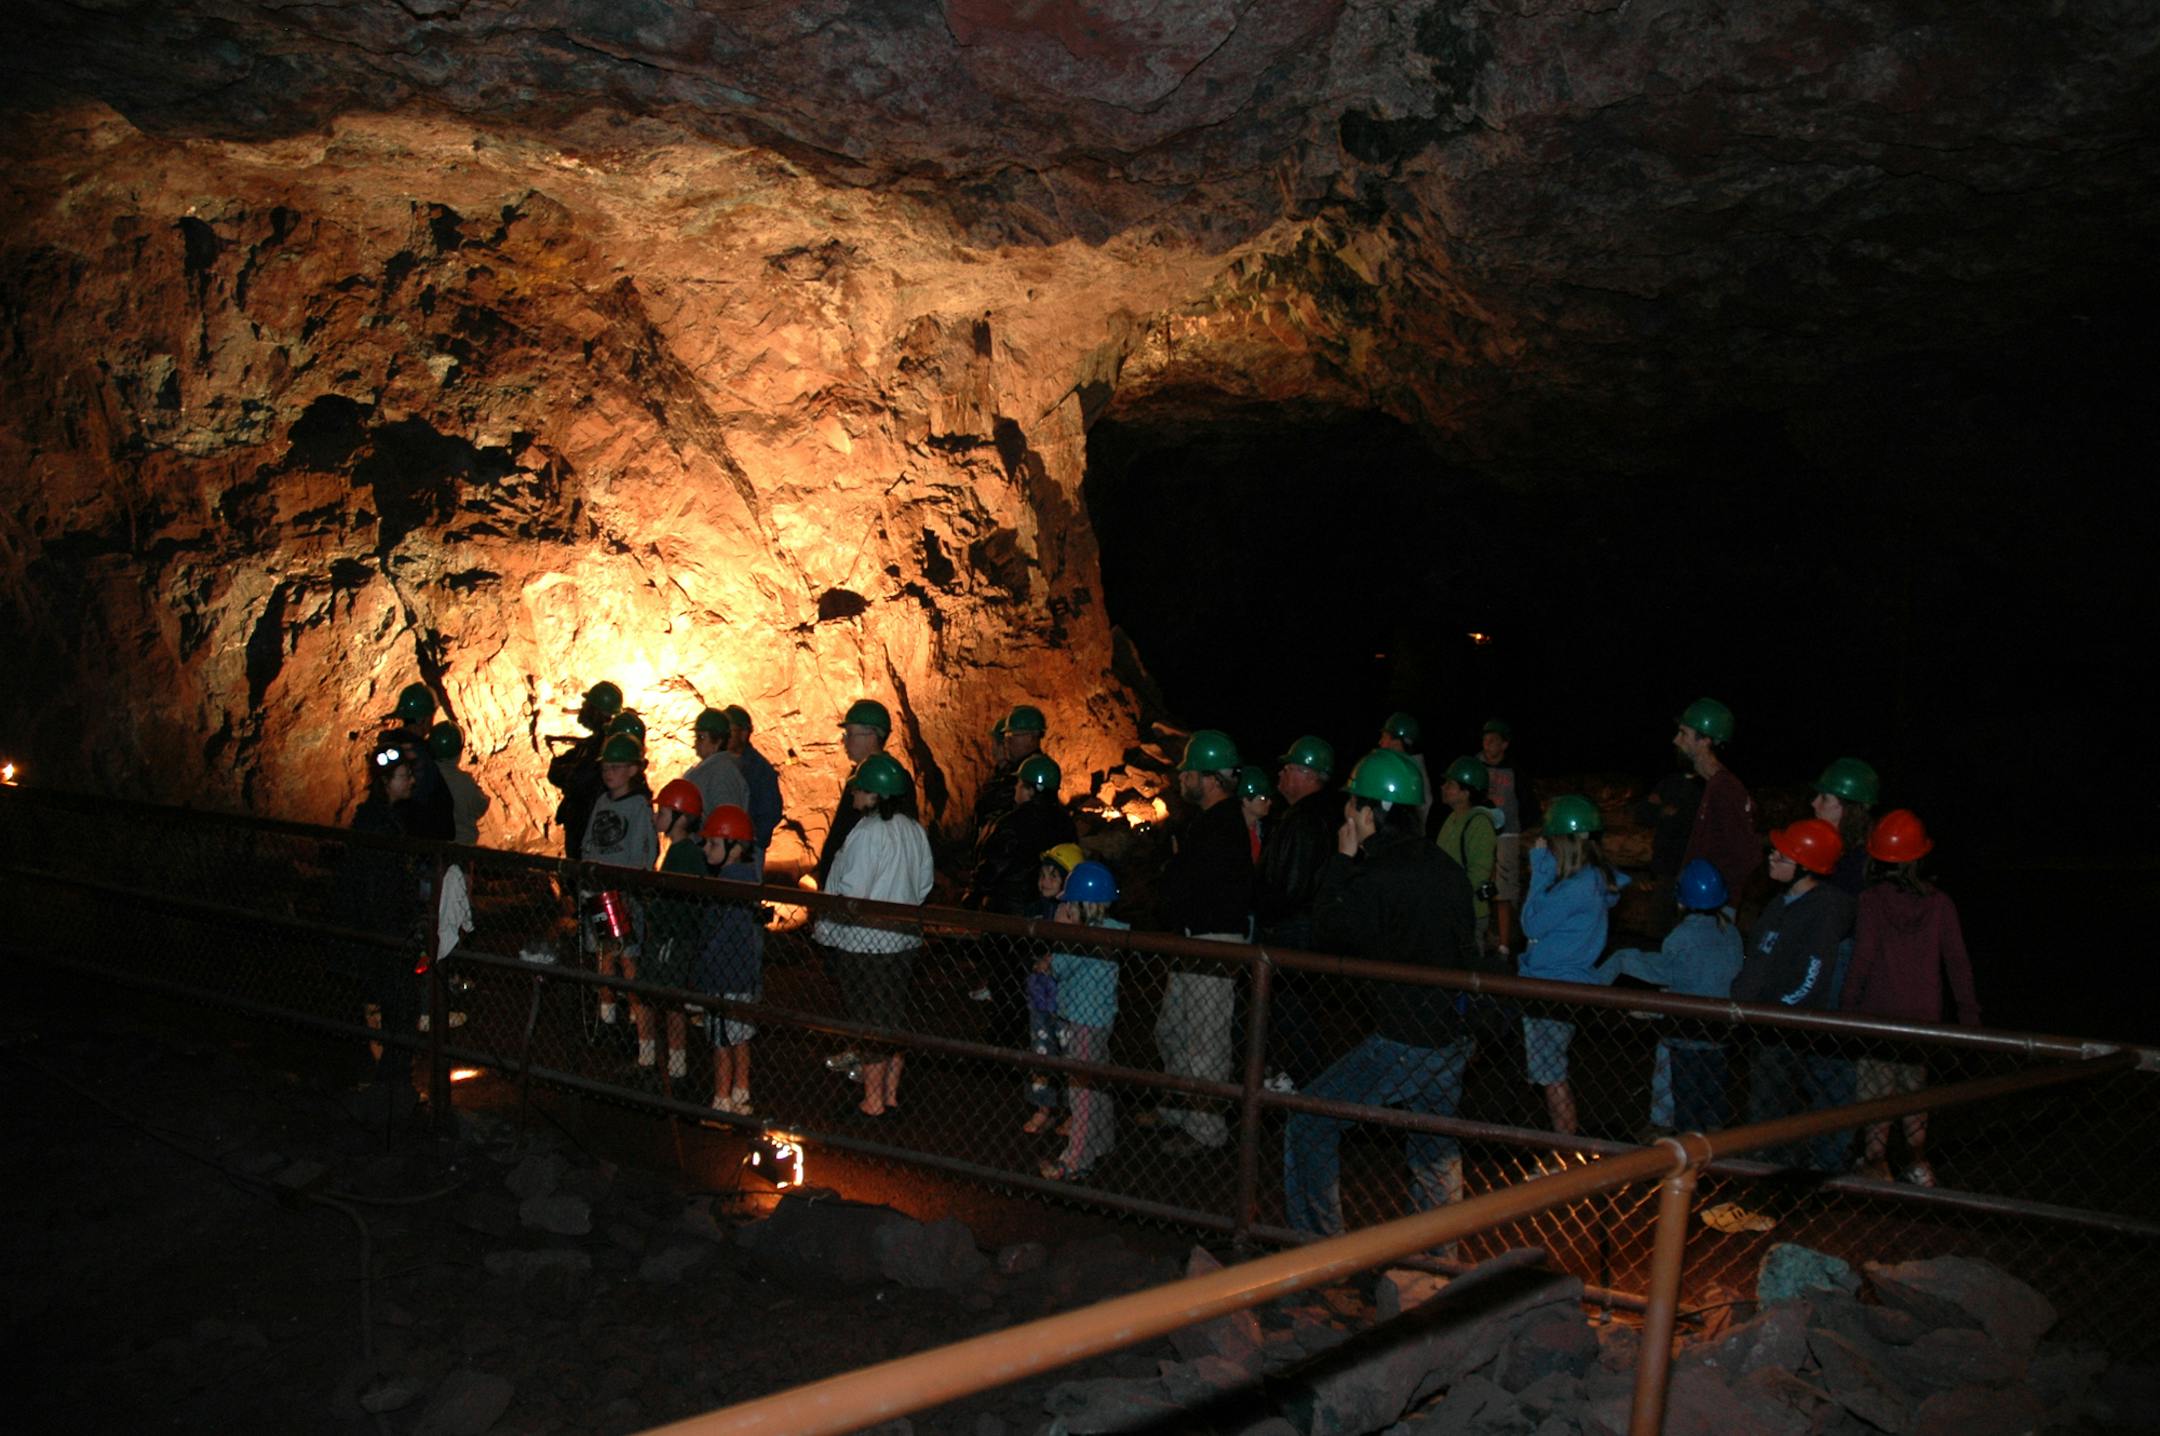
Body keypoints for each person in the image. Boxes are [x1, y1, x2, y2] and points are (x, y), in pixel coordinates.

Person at [1283, 749, 1485, 1236]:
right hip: (1453, 1031)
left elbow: (1329, 932)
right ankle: (1438, 1259)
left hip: (1404, 1037)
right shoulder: (1444, 868)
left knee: (1309, 1120)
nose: (1347, 814)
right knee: (1434, 1147)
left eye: (1354, 806)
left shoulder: (1381, 876)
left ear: (1372, 814)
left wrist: (1342, 859)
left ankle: (1319, 1250)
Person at [1842, 810, 1981, 1187]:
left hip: (1879, 1016)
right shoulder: (1940, 904)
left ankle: (1876, 1162)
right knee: (1913, 1091)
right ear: (1919, 856)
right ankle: (1918, 1164)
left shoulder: (1871, 901)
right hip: (1922, 1018)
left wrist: (1846, 1010)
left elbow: (1863, 956)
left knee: (1876, 1091)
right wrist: (1969, 1020)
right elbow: (1958, 964)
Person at [1142, 729, 1251, 1154]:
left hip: (1213, 942)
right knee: (1172, 1031)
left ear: (1207, 778)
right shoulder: (1211, 823)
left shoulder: (1221, 827)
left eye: (1188, 772)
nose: (1182, 779)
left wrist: (1170, 875)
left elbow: (1189, 884)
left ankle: (1205, 1132)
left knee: (1204, 1041)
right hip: (1196, 939)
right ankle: (1178, 1110)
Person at [1733, 817, 1859, 1171]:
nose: (1773, 856)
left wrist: (1779, 1010)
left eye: (1783, 854)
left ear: (1807, 866)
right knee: (1766, 1104)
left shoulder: (1824, 909)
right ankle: (1768, 1171)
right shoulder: (1780, 903)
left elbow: (1813, 974)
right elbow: (1759, 959)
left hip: (1787, 1026)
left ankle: (1779, 1178)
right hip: (1765, 1021)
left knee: (1776, 1108)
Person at [813, 754, 934, 1117]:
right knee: (892, 1015)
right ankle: (891, 1093)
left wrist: (828, 911)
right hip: (904, 940)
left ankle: (872, 1100)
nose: (853, 795)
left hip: (865, 942)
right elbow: (924, 883)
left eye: (860, 789)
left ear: (876, 795)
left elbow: (853, 892)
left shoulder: (868, 832)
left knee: (869, 1018)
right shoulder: (915, 830)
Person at [1610, 858, 1746, 1132]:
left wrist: (1626, 961)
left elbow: (1669, 974)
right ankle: (1716, 1159)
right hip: (1719, 1032)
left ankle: (1687, 1160)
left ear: (1681, 901)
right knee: (1713, 1100)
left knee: (1686, 1103)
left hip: (1685, 1034)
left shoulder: (1680, 936)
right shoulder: (1731, 933)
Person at [1520, 795, 1627, 1137]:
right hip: (1562, 985)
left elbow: (1531, 924)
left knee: (1552, 1076)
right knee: (1552, 1072)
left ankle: (1564, 1152)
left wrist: (1539, 869)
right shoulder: (1592, 880)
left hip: (1551, 989)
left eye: (1550, 842)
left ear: (1562, 843)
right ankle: (1563, 1148)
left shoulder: (1578, 888)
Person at [338, 737, 432, 1095]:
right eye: (404, 776)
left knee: (395, 1009)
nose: (410, 781)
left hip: (381, 930)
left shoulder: (379, 819)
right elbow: (378, 885)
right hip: (383, 932)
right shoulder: (378, 825)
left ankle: (390, 1082)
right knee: (400, 1009)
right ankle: (392, 1084)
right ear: (387, 781)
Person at [1256, 735, 1337, 1090]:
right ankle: (1303, 1084)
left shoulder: (1304, 820)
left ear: (1306, 774)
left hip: (1293, 932)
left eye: (1287, 768)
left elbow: (1290, 885)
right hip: (1311, 929)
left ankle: (1309, 1089)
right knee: (1293, 1013)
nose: (1280, 775)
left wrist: (1262, 906)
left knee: (1291, 1015)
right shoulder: (1325, 815)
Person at [1042, 860, 1127, 1181]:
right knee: (1096, 1081)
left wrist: (1062, 934)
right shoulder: (1111, 933)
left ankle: (1076, 1157)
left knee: (1081, 1091)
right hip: (1101, 1019)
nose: (1063, 907)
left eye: (1068, 903)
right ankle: (1102, 1140)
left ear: (1083, 906)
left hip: (1082, 1021)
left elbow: (1060, 968)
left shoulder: (1081, 938)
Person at [583, 732, 660, 1051]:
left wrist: (632, 882)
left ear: (633, 769)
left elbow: (645, 850)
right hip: (602, 892)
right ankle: (608, 1020)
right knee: (605, 956)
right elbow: (589, 841)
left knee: (629, 963)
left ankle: (644, 1040)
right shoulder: (603, 802)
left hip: (623, 894)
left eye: (616, 766)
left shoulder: (639, 807)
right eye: (606, 767)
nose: (608, 772)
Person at [696, 804, 764, 1115]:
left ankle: (721, 1099)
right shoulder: (747, 879)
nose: (707, 849)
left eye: (713, 843)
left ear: (733, 848)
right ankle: (741, 1091)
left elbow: (719, 935)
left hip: (723, 976)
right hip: (743, 976)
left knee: (722, 1039)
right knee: (741, 1037)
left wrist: (702, 971)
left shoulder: (728, 885)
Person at [641, 777, 707, 1080]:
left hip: (672, 937)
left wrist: (654, 914)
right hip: (677, 935)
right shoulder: (685, 851)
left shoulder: (683, 855)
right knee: (672, 999)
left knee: (668, 997)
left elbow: (677, 903)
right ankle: (674, 1063)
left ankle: (668, 1063)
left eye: (663, 812)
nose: (657, 817)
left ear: (680, 818)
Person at [965, 755, 1077, 915]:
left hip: (1009, 912)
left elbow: (993, 866)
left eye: (1018, 784)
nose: (1015, 789)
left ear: (1029, 790)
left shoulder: (1012, 823)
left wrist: (973, 896)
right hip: (1051, 911)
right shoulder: (1066, 823)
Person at [1673, 698, 1759, 902]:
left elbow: (1746, 855)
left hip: (1713, 907)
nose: (1676, 740)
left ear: (1705, 740)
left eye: (1684, 733)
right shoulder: (1713, 785)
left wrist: (1715, 899)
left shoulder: (1726, 789)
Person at [815, 699, 897, 889]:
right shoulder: (859, 773)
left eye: (850, 734)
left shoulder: (886, 780)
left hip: (859, 893)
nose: (844, 741)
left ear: (871, 735)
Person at [547, 680, 623, 860]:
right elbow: (556, 770)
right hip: (582, 823)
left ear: (597, 711)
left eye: (587, 705)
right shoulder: (590, 745)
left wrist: (570, 774)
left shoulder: (604, 746)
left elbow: (579, 779)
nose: (583, 708)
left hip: (588, 825)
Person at [1434, 755, 1501, 951]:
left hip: (1468, 911)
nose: (1444, 787)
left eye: (1451, 784)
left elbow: (1479, 873)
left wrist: (1450, 897)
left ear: (1466, 792)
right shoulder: (1452, 819)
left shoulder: (1479, 823)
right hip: (1450, 908)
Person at [1477, 720, 1527, 961]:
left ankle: (1505, 944)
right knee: (1480, 883)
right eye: (1486, 739)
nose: (1488, 744)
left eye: (1494, 740)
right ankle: (1484, 936)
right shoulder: (1475, 765)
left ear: (1505, 744)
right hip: (1481, 832)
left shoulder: (1515, 769)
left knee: (1504, 888)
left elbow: (1526, 801)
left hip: (1507, 833)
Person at [722, 704, 785, 867]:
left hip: (746, 853)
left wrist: (747, 842)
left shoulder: (760, 770)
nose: (724, 735)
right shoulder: (719, 764)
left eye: (730, 730)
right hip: (718, 845)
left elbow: (771, 812)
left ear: (744, 733)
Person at [973, 703, 1047, 838]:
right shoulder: (1011, 771)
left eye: (1013, 735)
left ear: (1032, 736)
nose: (1007, 741)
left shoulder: (1038, 772)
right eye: (1007, 736)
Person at [1812, 758, 1880, 898]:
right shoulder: (1824, 842)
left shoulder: (1862, 862)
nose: (1813, 803)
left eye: (1824, 798)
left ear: (1849, 807)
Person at [427, 721, 489, 847]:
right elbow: (480, 805)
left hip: (427, 848)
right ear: (459, 752)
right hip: (460, 848)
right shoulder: (464, 782)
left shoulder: (418, 777)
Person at [685, 706, 751, 820]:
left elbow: (726, 818)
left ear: (718, 741)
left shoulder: (722, 774)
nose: (696, 742)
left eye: (701, 737)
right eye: (696, 737)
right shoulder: (714, 769)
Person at [1377, 711, 1434, 834]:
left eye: (1384, 737)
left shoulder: (1411, 772)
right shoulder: (1402, 766)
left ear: (1396, 742)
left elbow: (1423, 812)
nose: (1380, 742)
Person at [1236, 766, 1276, 862]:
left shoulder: (1266, 832)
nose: (1269, 802)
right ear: (1245, 800)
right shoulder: (1228, 833)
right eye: (1263, 799)